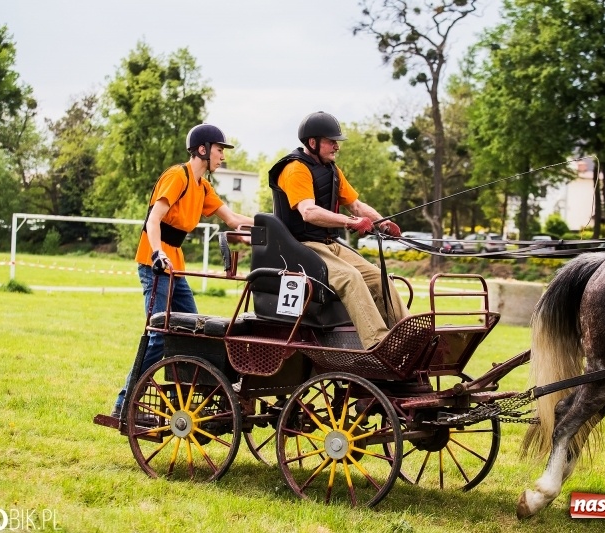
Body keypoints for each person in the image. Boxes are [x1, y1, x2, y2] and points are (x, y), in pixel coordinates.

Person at [111, 123, 253, 419]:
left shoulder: (202, 187)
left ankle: (185, 402)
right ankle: (125, 405)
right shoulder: (178, 177)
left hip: (175, 267)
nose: (222, 157)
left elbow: (232, 220)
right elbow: (153, 221)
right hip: (155, 264)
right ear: (203, 149)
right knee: (160, 336)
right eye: (219, 150)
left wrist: (270, 226)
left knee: (195, 331)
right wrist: (157, 252)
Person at [268, 111, 410, 350]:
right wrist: (350, 222)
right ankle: (378, 344)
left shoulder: (332, 170)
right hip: (300, 247)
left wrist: (381, 222)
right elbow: (308, 212)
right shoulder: (295, 169)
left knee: (377, 277)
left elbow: (356, 205)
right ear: (312, 143)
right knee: (350, 278)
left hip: (329, 245)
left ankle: (407, 335)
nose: (337, 146)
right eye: (331, 141)